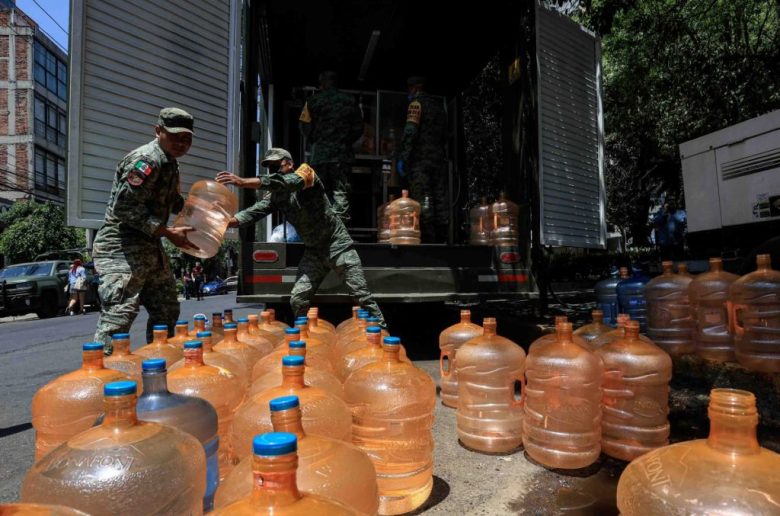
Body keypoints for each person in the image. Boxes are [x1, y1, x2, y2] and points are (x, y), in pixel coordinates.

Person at [216, 147, 386, 327]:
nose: (275, 171)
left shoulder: (306, 173)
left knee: (362, 297)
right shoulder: (277, 196)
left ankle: (383, 336)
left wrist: (243, 182)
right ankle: (307, 335)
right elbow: (252, 213)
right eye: (271, 168)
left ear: (289, 164)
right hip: (315, 252)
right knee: (298, 299)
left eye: (277, 166)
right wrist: (222, 223)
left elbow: (289, 182)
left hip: (338, 245)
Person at [92, 107, 199, 354]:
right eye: (175, 136)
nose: (182, 143)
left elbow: (170, 201)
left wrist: (200, 208)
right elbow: (124, 208)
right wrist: (168, 232)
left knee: (166, 311)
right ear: (158, 131)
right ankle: (100, 376)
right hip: (121, 248)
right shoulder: (147, 161)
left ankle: (158, 368)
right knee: (119, 315)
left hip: (149, 247)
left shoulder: (170, 164)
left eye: (187, 139)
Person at [299, 70, 363, 224]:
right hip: (342, 156)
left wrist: (316, 140)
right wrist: (345, 141)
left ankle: (322, 231)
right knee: (340, 194)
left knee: (320, 194)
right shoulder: (349, 101)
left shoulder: (312, 102)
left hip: (319, 156)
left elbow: (304, 126)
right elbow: (359, 128)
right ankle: (339, 233)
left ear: (321, 84)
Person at [396, 76, 449, 243]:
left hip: (420, 162)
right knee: (439, 197)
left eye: (409, 89)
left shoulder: (416, 104)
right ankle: (443, 237)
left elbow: (410, 132)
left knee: (424, 198)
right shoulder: (439, 107)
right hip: (438, 160)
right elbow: (445, 134)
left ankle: (429, 239)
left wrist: (403, 157)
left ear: (414, 88)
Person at [652, 195, 687, 261]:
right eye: (669, 200)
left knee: (679, 264)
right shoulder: (660, 213)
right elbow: (656, 222)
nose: (671, 202)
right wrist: (663, 212)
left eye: (673, 200)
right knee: (666, 265)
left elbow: (687, 225)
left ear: (676, 202)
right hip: (665, 244)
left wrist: (684, 234)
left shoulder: (682, 213)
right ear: (666, 203)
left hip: (677, 243)